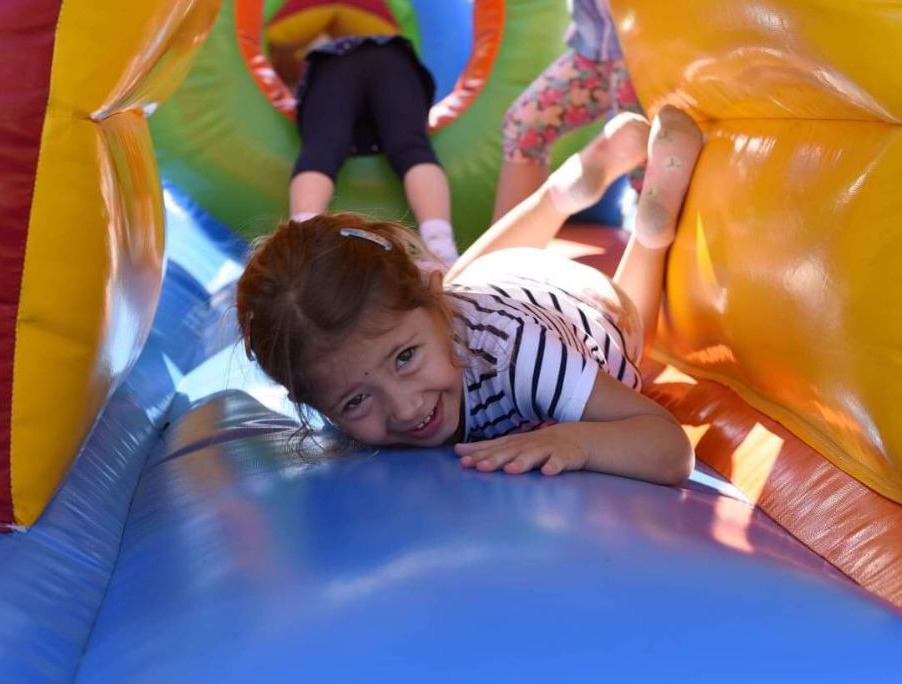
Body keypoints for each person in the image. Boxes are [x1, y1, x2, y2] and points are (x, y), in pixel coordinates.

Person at [236, 106, 703, 484]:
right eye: (355, 402)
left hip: (585, 304)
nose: (404, 408)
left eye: (404, 359)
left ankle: (648, 231)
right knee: (468, 277)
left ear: (433, 300)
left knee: (632, 332)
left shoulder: (519, 356)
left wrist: (575, 441)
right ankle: (562, 192)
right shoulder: (387, 333)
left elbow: (670, 447)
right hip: (491, 281)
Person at [280, 34, 460, 264]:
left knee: (322, 147)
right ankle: (440, 243)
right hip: (393, 56)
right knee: (412, 147)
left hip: (333, 62)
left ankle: (305, 241)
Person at [492, 0, 645, 223]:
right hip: (596, 49)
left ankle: (664, 246)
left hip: (647, 51)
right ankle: (505, 249)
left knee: (640, 145)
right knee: (526, 124)